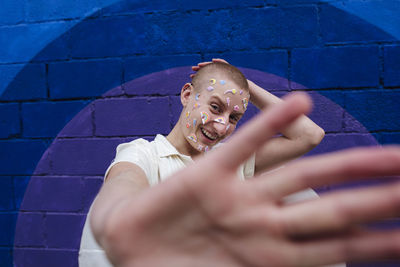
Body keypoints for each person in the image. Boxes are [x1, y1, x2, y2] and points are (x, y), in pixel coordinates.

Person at [79, 60, 400, 267]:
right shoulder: (143, 154)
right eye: (215, 106)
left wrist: (245, 84)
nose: (221, 126)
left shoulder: (228, 161)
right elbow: (122, 183)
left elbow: (309, 135)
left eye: (234, 117)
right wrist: (117, 218)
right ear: (187, 95)